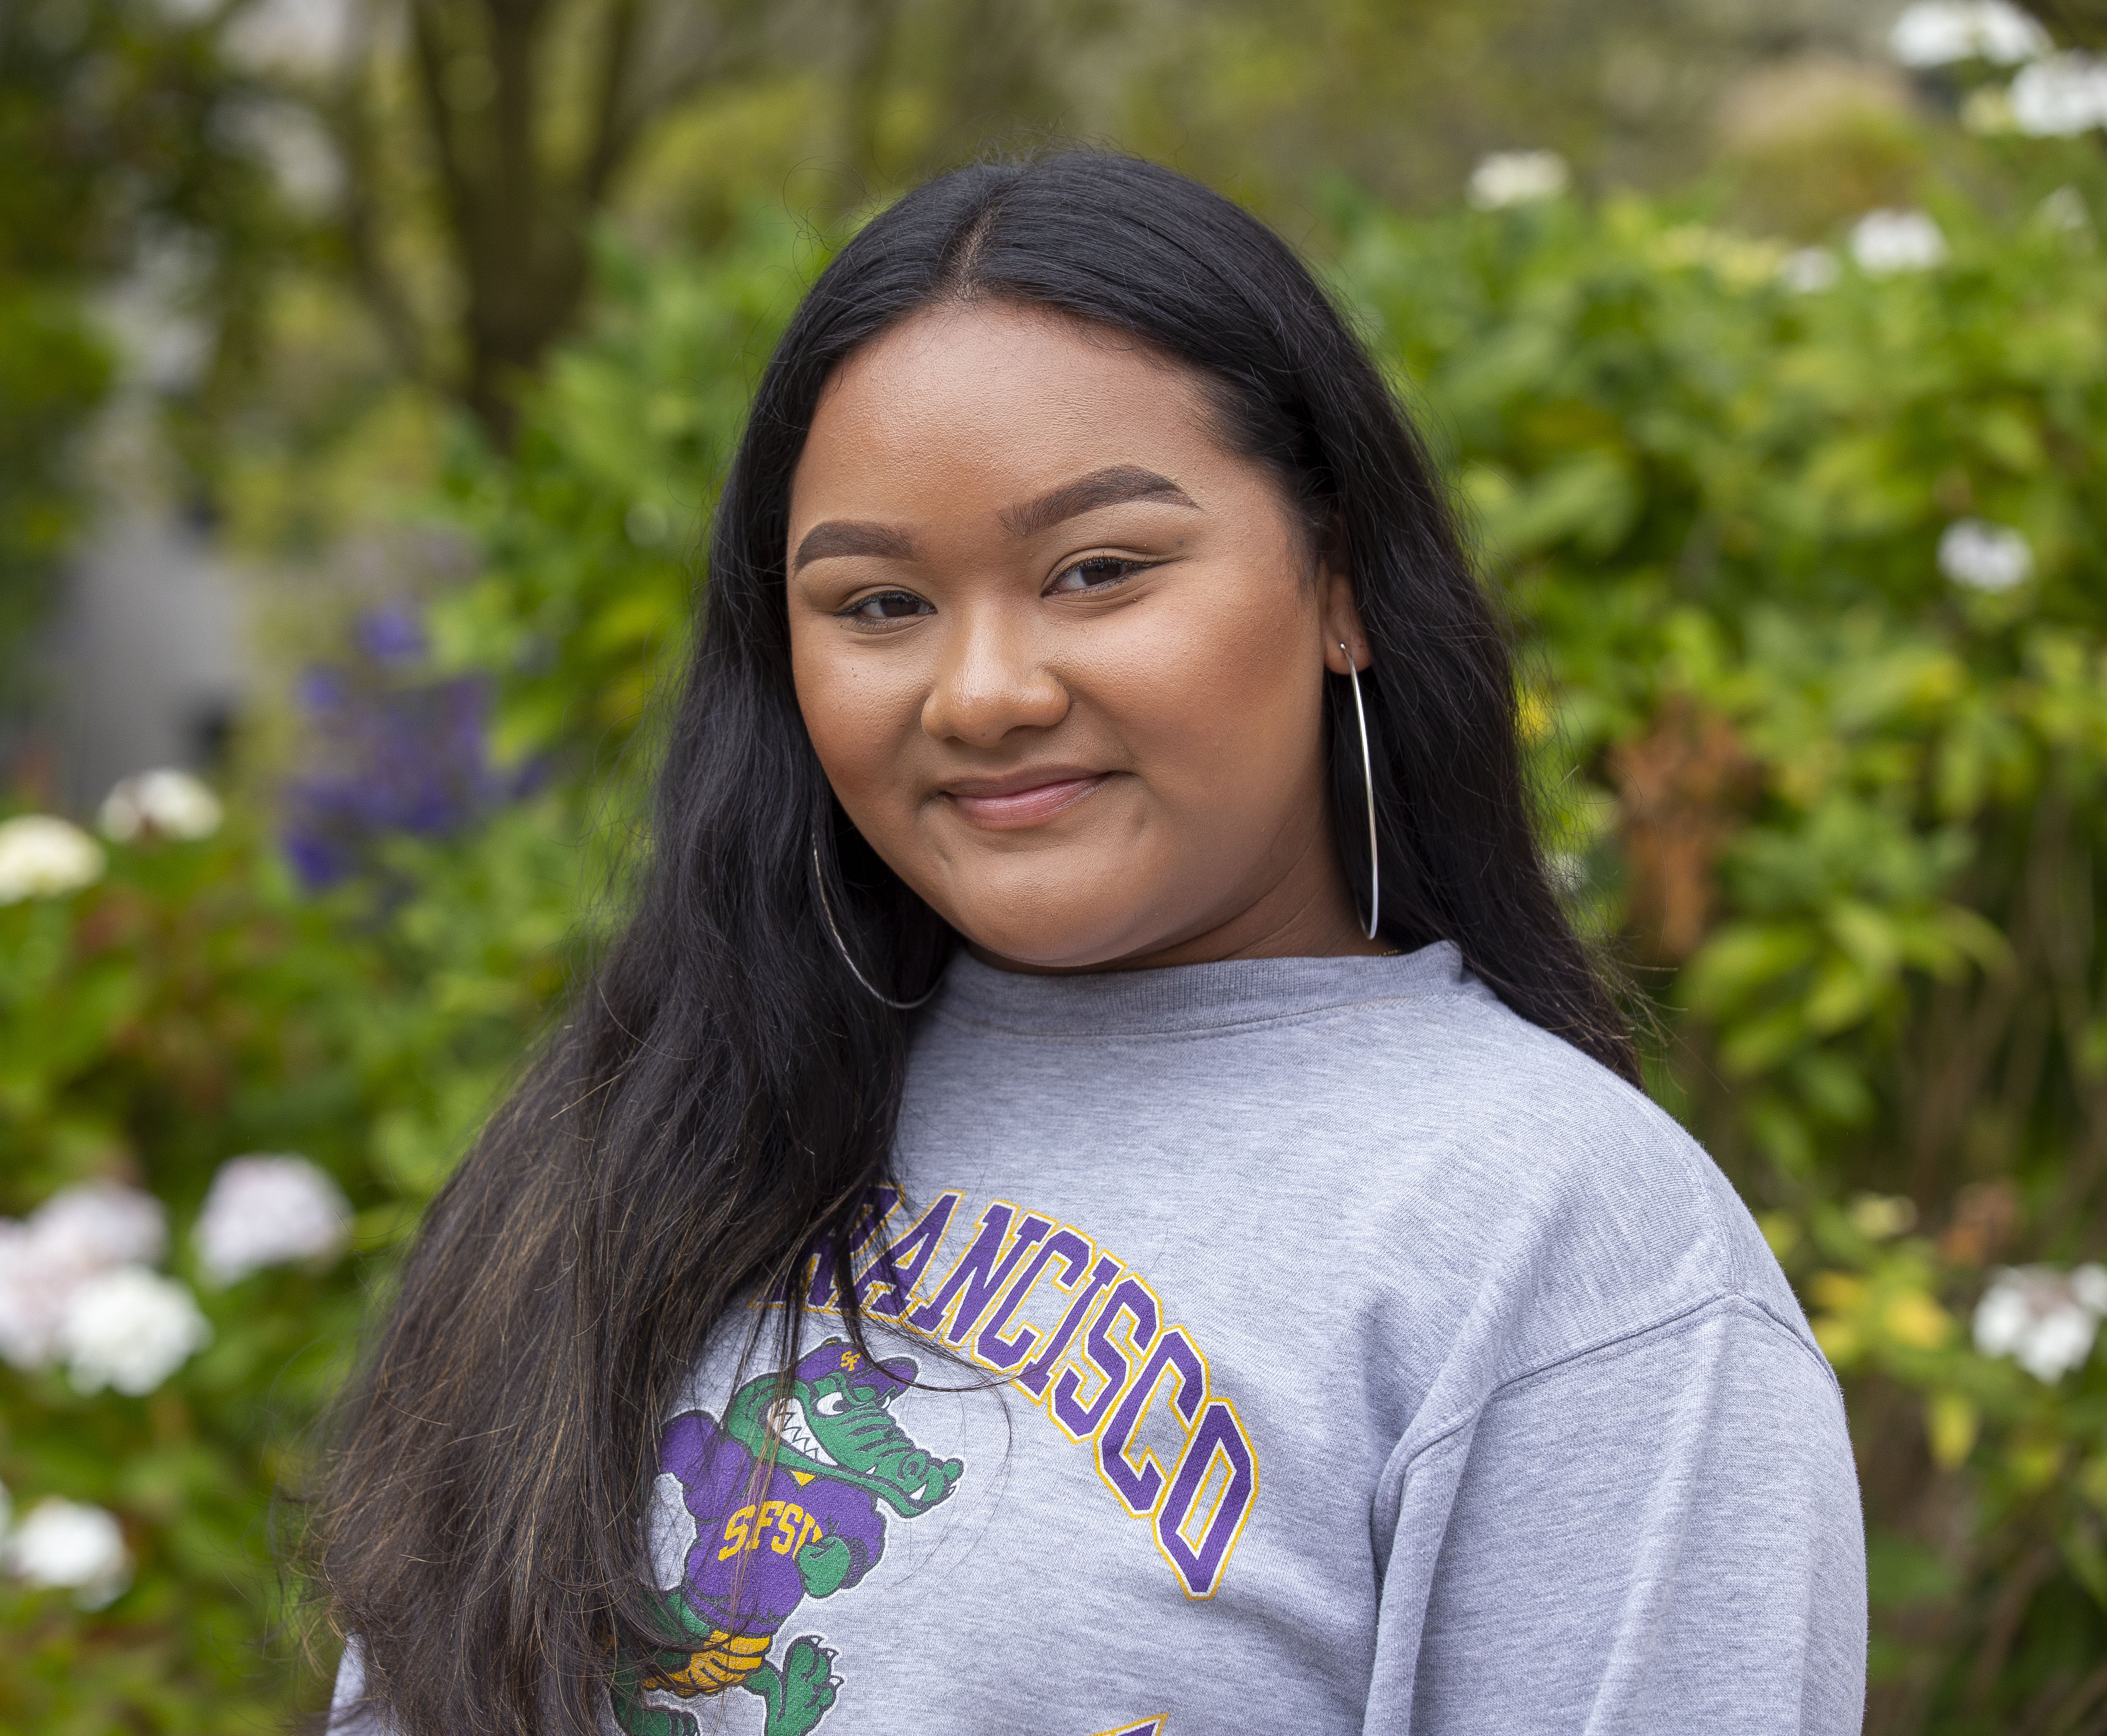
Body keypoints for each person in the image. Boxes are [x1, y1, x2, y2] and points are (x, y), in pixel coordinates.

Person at [315, 151, 1864, 1736]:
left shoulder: (1563, 1249)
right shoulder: (658, 1131)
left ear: (1339, 583)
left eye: (1099, 572)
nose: (982, 692)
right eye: (876, 604)